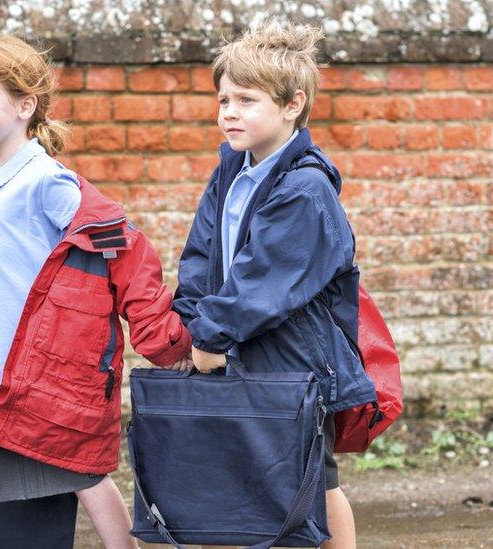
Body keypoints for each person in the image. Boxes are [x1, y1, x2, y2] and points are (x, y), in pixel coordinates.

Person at [0, 33, 191, 549]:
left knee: (82, 471)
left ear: (26, 105)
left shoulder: (48, 184)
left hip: (47, 376)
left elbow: (127, 255)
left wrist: (166, 340)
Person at [173, 20, 377, 549]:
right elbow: (200, 254)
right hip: (240, 354)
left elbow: (265, 281)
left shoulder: (306, 189)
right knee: (256, 489)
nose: (230, 113)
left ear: (292, 105)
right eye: (223, 100)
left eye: (247, 99)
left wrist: (209, 337)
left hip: (295, 365)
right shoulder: (231, 170)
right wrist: (194, 320)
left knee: (317, 484)